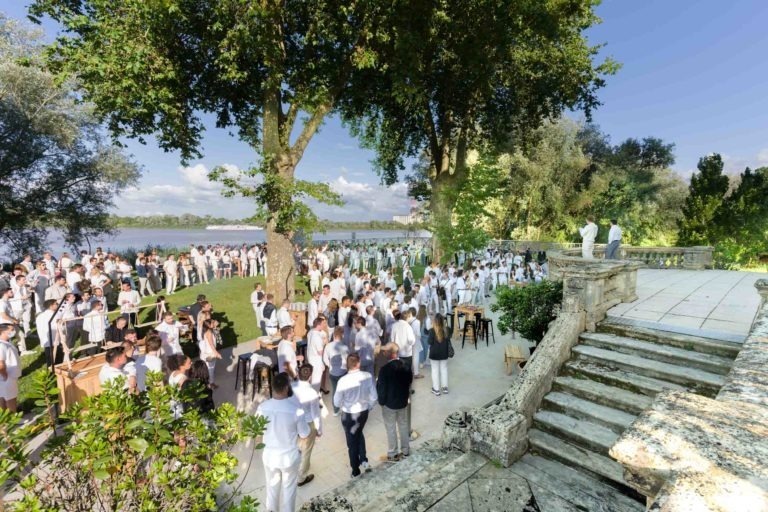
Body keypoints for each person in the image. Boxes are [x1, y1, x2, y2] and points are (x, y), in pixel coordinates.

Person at [256, 372, 310, 512]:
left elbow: (257, 433)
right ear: (287, 388)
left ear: (271, 388)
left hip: (269, 457)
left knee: (271, 490)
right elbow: (304, 434)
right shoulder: (296, 410)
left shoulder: (262, 408)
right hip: (289, 457)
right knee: (289, 492)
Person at [334, 353, 377, 478]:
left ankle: (355, 470)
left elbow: (336, 402)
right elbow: (374, 397)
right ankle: (363, 459)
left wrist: (343, 405)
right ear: (358, 363)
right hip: (363, 413)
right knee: (359, 432)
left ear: (347, 365)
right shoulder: (368, 376)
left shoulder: (342, 381)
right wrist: (369, 407)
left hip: (349, 415)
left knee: (351, 443)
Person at [376, 343, 412, 461]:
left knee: (391, 428)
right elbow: (409, 381)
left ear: (390, 353)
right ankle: (406, 450)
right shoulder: (406, 366)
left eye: (385, 351)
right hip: (402, 402)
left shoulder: (384, 370)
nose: (384, 352)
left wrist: (381, 402)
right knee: (403, 425)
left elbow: (381, 389)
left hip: (389, 404)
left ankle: (393, 453)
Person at [292, 364, 322, 487]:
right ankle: (301, 477)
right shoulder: (312, 392)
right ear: (310, 376)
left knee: (296, 447)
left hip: (293, 422)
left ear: (298, 374)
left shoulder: (291, 387)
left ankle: (293, 468)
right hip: (307, 424)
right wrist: (319, 429)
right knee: (306, 452)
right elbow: (316, 414)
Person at [323, 326, 349, 416]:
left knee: (335, 390)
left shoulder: (328, 346)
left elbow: (325, 359)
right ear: (342, 335)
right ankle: (345, 408)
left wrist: (330, 366)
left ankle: (335, 410)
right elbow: (347, 360)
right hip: (343, 372)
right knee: (344, 390)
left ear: (334, 335)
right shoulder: (344, 347)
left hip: (332, 372)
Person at [428, 314, 452, 396]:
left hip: (434, 354)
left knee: (435, 371)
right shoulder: (447, 330)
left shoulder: (432, 331)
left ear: (435, 321)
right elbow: (449, 338)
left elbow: (429, 342)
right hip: (444, 354)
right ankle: (445, 388)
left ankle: (436, 389)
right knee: (444, 370)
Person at [0, 324, 21, 411]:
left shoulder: (6, 343)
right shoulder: (2, 346)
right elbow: (1, 363)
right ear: (3, 331)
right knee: (11, 397)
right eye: (11, 329)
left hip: (7, 376)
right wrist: (5, 376)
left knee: (3, 396)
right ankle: (13, 419)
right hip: (7, 376)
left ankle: (5, 418)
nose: (13, 331)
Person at [306, 317, 327, 392]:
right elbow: (320, 352)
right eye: (323, 324)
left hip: (310, 358)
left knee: (312, 379)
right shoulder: (317, 337)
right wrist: (324, 343)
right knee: (316, 381)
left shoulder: (310, 332)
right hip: (316, 361)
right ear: (319, 325)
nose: (324, 326)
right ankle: (315, 396)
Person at [199, 318, 222, 385]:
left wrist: (214, 326)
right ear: (209, 325)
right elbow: (211, 344)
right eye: (212, 322)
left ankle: (206, 380)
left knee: (207, 368)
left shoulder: (205, 330)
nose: (214, 322)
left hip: (205, 353)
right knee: (211, 369)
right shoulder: (209, 332)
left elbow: (216, 329)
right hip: (210, 353)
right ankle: (211, 383)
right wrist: (217, 353)